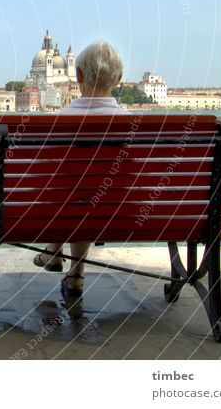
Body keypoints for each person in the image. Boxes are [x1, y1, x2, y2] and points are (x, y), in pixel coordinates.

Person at [32, 40, 129, 316]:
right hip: (119, 215)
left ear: (78, 76)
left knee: (74, 190)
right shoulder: (136, 125)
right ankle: (73, 271)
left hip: (64, 209)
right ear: (119, 79)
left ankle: (55, 251)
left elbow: (43, 179)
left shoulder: (57, 122)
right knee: (88, 192)